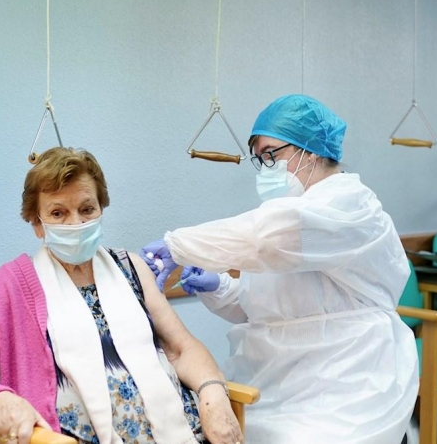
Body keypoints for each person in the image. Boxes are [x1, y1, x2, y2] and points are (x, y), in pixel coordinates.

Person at [141, 94, 419, 443]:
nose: (267, 166)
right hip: (276, 381)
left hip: (347, 384)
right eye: (260, 159)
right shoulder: (287, 214)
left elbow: (267, 238)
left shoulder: (350, 205)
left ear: (312, 150)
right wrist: (221, 288)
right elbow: (263, 307)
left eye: (272, 153)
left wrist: (178, 246)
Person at [0, 147, 243, 444]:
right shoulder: (13, 285)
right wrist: (0, 401)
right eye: (58, 213)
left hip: (181, 431)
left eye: (86, 209)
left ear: (100, 209)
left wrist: (213, 394)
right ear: (37, 224)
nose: (76, 224)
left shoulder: (130, 267)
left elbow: (181, 349)